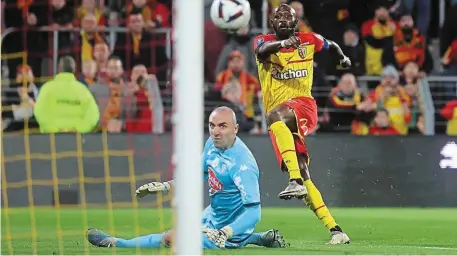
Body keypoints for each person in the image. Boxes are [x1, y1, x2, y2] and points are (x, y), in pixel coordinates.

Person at [86, 107, 287, 249]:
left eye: (223, 126)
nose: (216, 132)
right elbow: (195, 178)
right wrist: (166, 186)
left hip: (227, 231)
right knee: (175, 230)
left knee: (170, 238)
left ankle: (115, 243)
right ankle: (258, 239)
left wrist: (227, 232)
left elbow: (254, 213)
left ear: (235, 129)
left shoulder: (243, 165)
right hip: (212, 216)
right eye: (212, 125)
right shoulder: (212, 144)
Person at [253, 4, 351, 244]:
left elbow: (332, 45)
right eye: (279, 17)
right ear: (272, 23)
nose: (283, 20)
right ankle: (336, 230)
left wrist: (343, 59)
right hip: (282, 120)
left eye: (289, 17)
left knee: (274, 116)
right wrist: (284, 44)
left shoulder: (309, 41)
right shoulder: (262, 41)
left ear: (296, 23)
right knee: (306, 176)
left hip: (303, 105)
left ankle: (294, 182)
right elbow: (262, 51)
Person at [34, 56, 99, 133]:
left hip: (51, 139)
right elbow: (93, 114)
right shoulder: (83, 90)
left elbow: (39, 112)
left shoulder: (47, 88)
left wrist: (54, 129)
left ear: (59, 69)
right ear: (74, 70)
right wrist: (79, 129)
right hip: (77, 139)